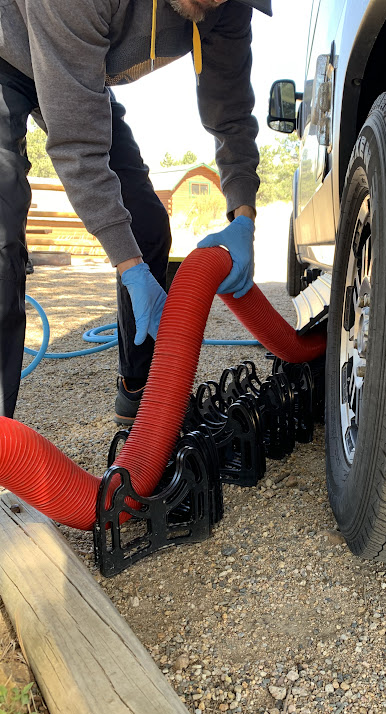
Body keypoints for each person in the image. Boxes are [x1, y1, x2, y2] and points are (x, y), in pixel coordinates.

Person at [0, 0, 271, 423]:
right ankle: (6, 452)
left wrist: (244, 218)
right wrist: (130, 269)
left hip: (80, 71)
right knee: (1, 240)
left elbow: (232, 113)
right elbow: (79, 146)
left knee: (145, 225)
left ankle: (141, 395)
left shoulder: (227, 7)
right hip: (7, 53)